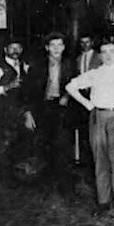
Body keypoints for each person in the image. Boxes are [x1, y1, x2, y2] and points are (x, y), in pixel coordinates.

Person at [66, 39, 114, 215]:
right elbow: (70, 86)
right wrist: (87, 104)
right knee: (100, 159)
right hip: (98, 116)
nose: (108, 55)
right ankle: (103, 202)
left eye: (111, 51)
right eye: (104, 52)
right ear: (100, 55)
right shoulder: (95, 73)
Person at [28, 32, 76, 198]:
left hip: (62, 109)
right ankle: (46, 187)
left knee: (63, 148)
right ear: (47, 47)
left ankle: (66, 188)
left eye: (59, 45)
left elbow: (75, 84)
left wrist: (66, 96)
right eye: (52, 45)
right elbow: (29, 91)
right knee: (44, 147)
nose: (56, 49)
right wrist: (29, 113)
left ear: (63, 47)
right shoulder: (38, 65)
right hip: (43, 109)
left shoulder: (70, 64)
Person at [0, 38, 36, 186]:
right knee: (3, 146)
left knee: (17, 144)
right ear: (5, 50)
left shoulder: (23, 66)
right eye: (12, 48)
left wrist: (27, 111)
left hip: (18, 112)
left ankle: (17, 177)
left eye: (18, 48)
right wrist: (7, 87)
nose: (15, 51)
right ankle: (5, 181)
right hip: (1, 112)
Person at [74, 34, 101, 166]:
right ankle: (84, 160)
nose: (85, 45)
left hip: (95, 96)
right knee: (84, 129)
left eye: (87, 42)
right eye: (82, 42)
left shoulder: (100, 57)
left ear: (92, 42)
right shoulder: (78, 58)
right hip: (82, 97)